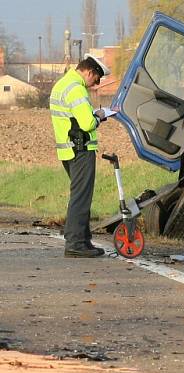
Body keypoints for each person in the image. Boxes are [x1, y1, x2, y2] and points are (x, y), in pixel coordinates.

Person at [50, 53, 111, 257]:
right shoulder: (76, 89)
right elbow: (86, 123)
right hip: (81, 148)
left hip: (67, 149)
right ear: (89, 71)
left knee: (80, 194)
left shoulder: (62, 84)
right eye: (96, 79)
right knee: (81, 196)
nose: (96, 84)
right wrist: (100, 116)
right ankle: (75, 243)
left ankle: (83, 240)